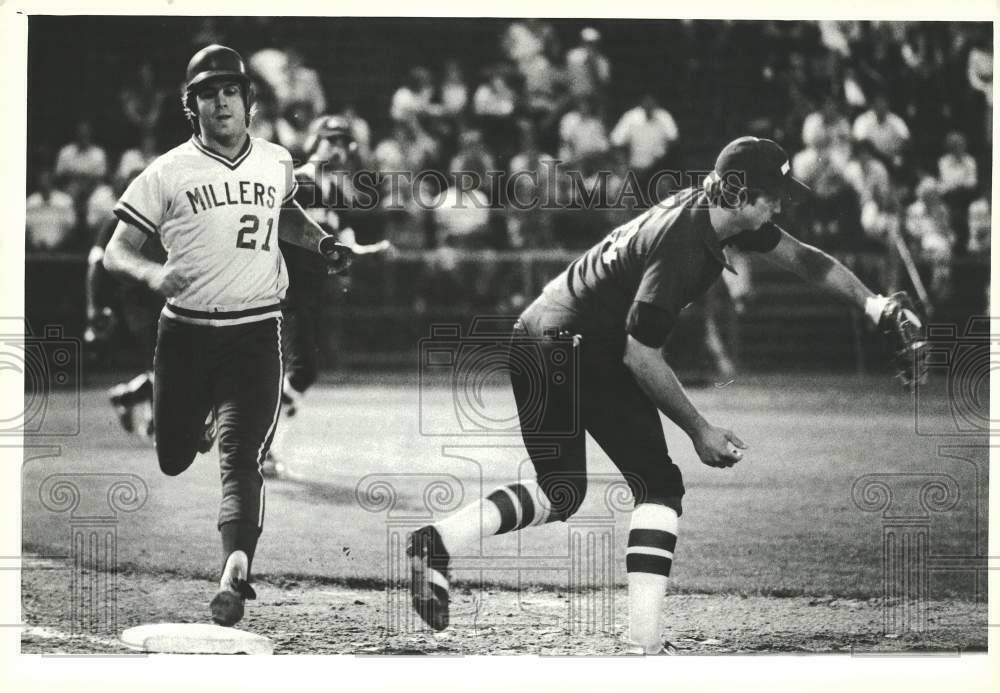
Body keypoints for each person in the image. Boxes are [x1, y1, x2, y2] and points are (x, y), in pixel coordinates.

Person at [407, 136, 925, 653]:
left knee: (560, 490)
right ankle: (644, 645)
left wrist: (873, 304)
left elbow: (804, 259)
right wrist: (700, 430)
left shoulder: (711, 213)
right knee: (658, 485)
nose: (780, 203)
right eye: (772, 193)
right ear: (737, 192)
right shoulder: (682, 245)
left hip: (538, 336)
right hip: (577, 345)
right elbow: (640, 356)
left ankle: (438, 541)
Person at [102, 45, 353, 627]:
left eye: (230, 90)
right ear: (192, 106)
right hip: (186, 336)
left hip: (256, 334)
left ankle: (234, 570)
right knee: (171, 456)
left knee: (243, 460)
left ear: (249, 100)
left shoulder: (275, 160)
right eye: (208, 93)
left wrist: (320, 244)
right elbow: (117, 249)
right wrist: (151, 272)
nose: (221, 101)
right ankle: (198, 420)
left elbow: (284, 213)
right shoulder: (167, 171)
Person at [263, 114, 391, 479]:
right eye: (332, 140)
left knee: (301, 371)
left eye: (344, 142)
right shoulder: (296, 183)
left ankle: (267, 447)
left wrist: (370, 251)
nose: (339, 148)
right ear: (316, 140)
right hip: (287, 290)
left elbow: (343, 243)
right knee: (300, 370)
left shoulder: (335, 190)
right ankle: (262, 445)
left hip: (312, 291)